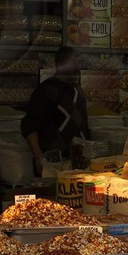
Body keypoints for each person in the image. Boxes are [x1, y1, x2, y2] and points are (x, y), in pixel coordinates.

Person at [20, 46, 91, 177]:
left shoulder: (79, 91)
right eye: (72, 63)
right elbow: (29, 126)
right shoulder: (45, 90)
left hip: (78, 164)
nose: (77, 68)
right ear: (59, 65)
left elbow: (84, 126)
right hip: (53, 165)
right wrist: (39, 158)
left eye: (78, 63)